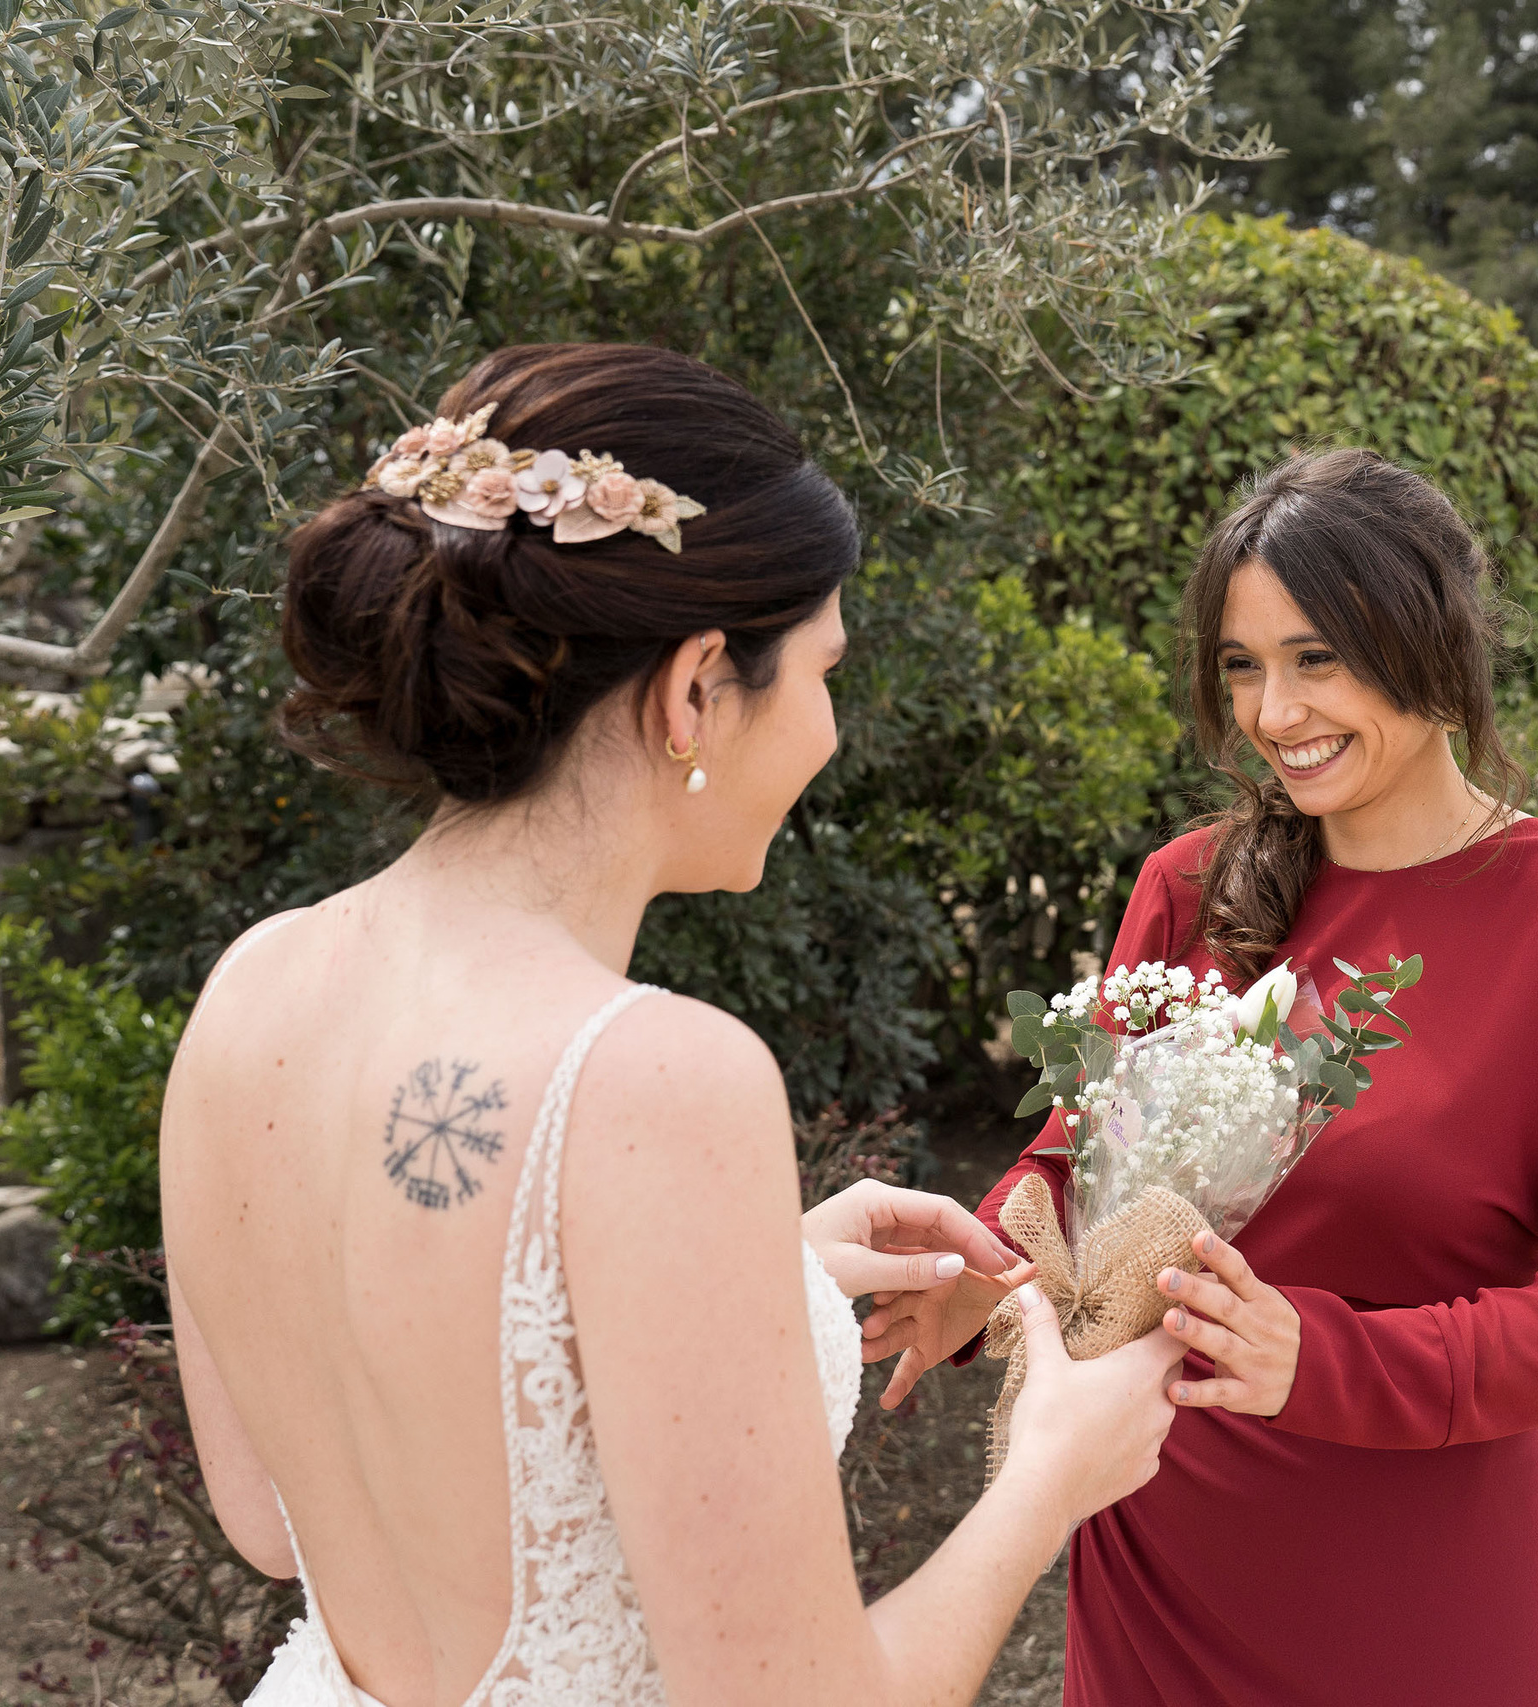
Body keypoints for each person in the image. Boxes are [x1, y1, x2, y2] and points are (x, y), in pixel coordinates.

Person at [158, 343, 1181, 1707]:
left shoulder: (254, 987)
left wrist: (749, 1289)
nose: (826, 730)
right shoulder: (653, 1075)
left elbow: (274, 1515)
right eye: (821, 671)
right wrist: (1054, 1466)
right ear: (699, 683)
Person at [868, 448, 1538, 1705]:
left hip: (1429, 1592)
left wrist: (1325, 1359)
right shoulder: (1188, 885)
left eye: (1317, 659)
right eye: (1242, 668)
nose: (1273, 715)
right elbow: (1079, 1163)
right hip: (1158, 1563)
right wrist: (981, 1278)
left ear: (1431, 644)